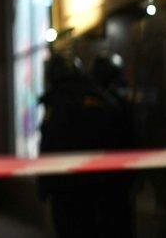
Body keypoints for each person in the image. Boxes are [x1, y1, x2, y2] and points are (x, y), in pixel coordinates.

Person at [38, 54, 133, 238]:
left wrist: (44, 186)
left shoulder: (58, 103)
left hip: (68, 189)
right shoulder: (101, 98)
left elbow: (50, 144)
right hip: (103, 186)